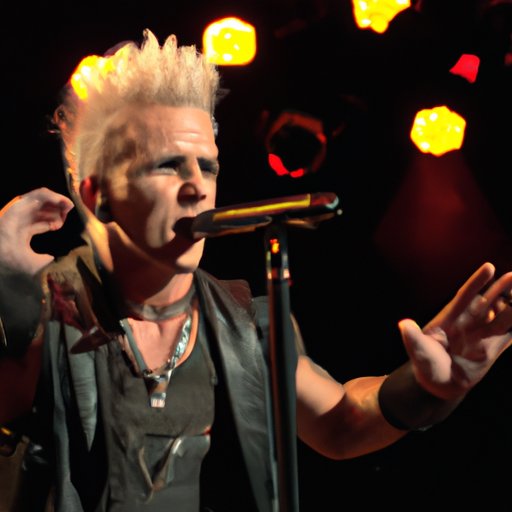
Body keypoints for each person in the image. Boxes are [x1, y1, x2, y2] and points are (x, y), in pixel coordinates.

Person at [0, 28, 511, 512]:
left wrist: (425, 388)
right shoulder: (44, 311)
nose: (198, 188)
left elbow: (341, 422)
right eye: (167, 165)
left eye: (208, 166)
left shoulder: (241, 322)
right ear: (99, 195)